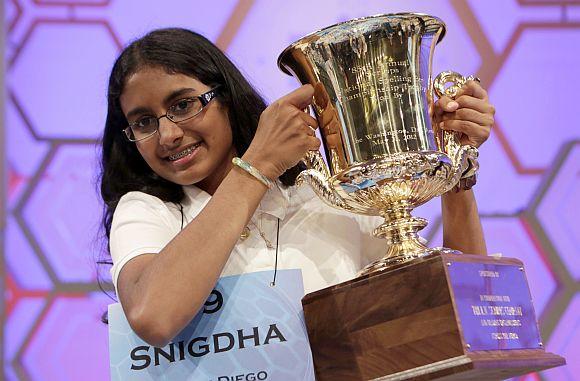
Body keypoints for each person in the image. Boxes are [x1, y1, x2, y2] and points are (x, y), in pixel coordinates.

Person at [100, 28, 494, 347]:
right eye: (144, 123)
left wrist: (457, 163)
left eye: (184, 105)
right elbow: (154, 317)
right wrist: (257, 166)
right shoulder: (147, 210)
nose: (167, 134)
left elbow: (468, 319)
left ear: (227, 98)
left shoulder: (327, 193)